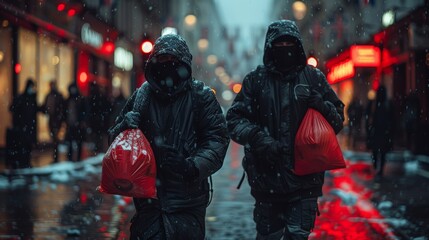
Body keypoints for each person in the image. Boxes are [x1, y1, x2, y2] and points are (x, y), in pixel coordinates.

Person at [226, 20, 345, 239]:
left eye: (289, 43)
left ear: (297, 45)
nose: (284, 49)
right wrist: (259, 138)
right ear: (270, 46)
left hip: (305, 183)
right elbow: (233, 120)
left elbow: (338, 120)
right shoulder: (256, 80)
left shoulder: (313, 78)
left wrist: (320, 104)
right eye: (279, 44)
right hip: (267, 182)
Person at [108, 34, 230, 239]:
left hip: (188, 204)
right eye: (162, 61)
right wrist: (125, 125)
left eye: (173, 62)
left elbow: (217, 139)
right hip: (148, 204)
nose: (167, 67)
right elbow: (114, 142)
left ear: (183, 64)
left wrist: (191, 166)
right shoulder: (142, 96)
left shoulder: (201, 96)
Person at [8, 78, 41, 168]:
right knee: (22, 146)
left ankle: (26, 163)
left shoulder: (31, 99)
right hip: (23, 127)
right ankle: (22, 163)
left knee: (28, 146)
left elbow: (37, 109)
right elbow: (12, 108)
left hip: (29, 127)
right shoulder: (22, 98)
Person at [365, 85, 394, 177]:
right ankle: (379, 168)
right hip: (381, 132)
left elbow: (367, 117)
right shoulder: (385, 104)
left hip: (379, 132)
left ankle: (378, 168)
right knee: (380, 152)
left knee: (378, 152)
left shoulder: (377, 104)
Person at [43, 80, 65, 163]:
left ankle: (56, 157)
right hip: (52, 119)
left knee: (55, 139)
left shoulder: (57, 96)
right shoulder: (50, 95)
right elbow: (45, 107)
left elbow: (61, 108)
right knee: (54, 138)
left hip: (56, 120)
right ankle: (55, 157)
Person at [64, 83, 86, 162]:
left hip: (78, 124)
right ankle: (70, 158)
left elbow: (84, 111)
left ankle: (78, 158)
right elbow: (65, 112)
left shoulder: (80, 99)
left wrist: (82, 121)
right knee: (70, 141)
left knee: (78, 141)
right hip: (70, 123)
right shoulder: (68, 100)